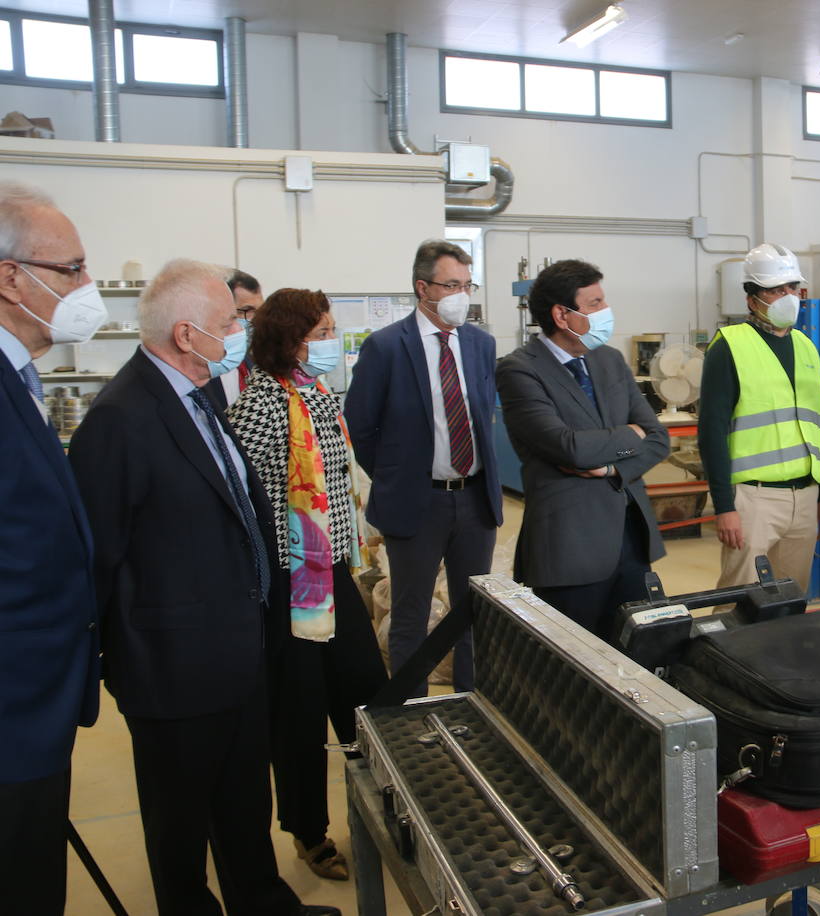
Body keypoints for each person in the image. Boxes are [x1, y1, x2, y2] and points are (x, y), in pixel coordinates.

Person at [67, 258, 339, 916]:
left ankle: (263, 902)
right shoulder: (121, 418)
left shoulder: (202, 398)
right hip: (171, 665)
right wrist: (112, 665)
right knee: (180, 821)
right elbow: (95, 558)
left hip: (238, 648)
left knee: (243, 799)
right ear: (188, 335)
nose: (242, 330)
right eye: (230, 322)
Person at [227, 289, 387, 882]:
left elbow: (336, 477)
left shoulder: (316, 394)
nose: (329, 339)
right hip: (289, 585)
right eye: (321, 330)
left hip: (333, 573)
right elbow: (245, 505)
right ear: (292, 340)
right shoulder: (259, 407)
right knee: (297, 712)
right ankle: (309, 832)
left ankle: (382, 805)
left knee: (366, 691)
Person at [0, 181, 102, 916]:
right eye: (71, 270)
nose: (86, 288)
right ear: (11, 277)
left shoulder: (21, 379)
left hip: (39, 704)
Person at [344, 239, 502, 695]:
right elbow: (361, 427)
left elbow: (481, 414)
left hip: (474, 499)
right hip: (417, 503)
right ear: (422, 288)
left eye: (466, 284)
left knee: (473, 610)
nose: (461, 294)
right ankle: (410, 711)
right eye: (451, 284)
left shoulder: (479, 345)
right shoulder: (386, 347)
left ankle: (472, 703)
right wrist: (400, 477)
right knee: (410, 614)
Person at [495, 259, 669, 637]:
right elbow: (569, 448)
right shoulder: (520, 370)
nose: (606, 312)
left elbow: (657, 437)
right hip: (569, 546)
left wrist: (611, 468)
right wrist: (629, 435)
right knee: (572, 668)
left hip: (630, 538)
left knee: (638, 656)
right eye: (594, 304)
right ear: (562, 314)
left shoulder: (609, 360)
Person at [699, 242, 820, 592]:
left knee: (791, 600)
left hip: (805, 496)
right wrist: (724, 506)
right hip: (753, 500)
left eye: (793, 288)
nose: (788, 296)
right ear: (752, 298)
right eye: (777, 290)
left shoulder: (806, 346)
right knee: (739, 604)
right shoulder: (729, 345)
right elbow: (711, 431)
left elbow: (818, 426)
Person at [205, 268, 264, 410]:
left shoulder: (254, 362)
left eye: (260, 311)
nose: (257, 319)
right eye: (248, 310)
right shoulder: (201, 367)